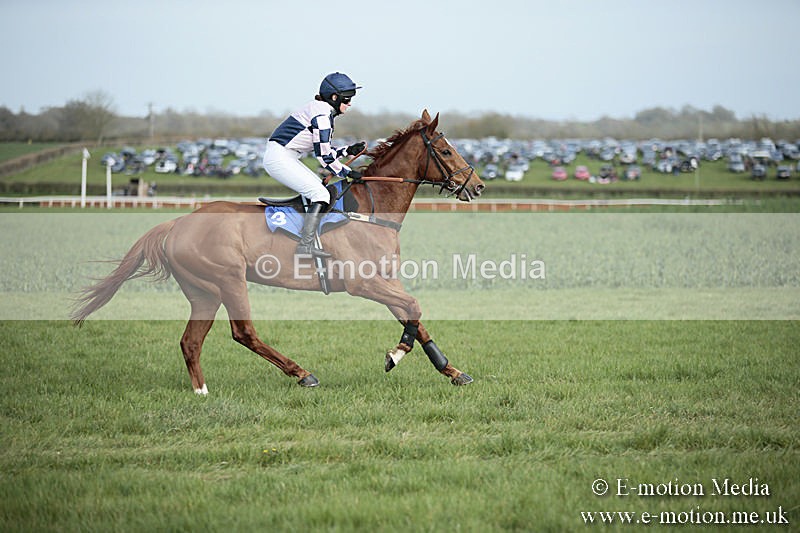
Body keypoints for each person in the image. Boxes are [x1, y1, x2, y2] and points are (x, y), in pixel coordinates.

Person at [262, 72, 366, 257]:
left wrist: (347, 151)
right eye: (347, 99)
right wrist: (347, 172)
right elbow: (324, 156)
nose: (350, 103)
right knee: (320, 193)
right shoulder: (322, 115)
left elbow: (323, 148)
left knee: (320, 191)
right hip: (280, 158)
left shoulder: (321, 110)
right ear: (334, 97)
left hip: (286, 156)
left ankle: (307, 237)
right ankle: (305, 245)